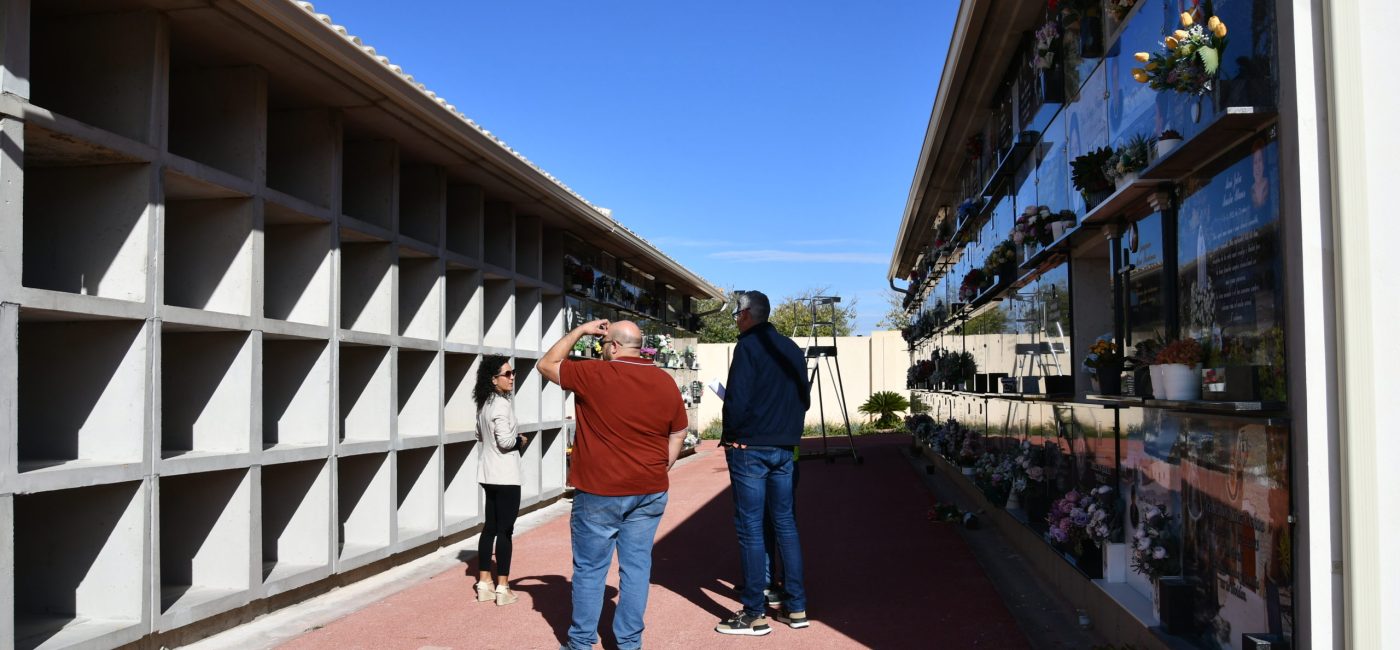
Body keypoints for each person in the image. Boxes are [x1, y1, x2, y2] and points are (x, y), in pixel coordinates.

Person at [539, 319, 689, 650]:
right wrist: (665, 462)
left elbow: (546, 364)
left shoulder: (594, 374)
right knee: (636, 569)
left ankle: (580, 643)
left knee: (590, 570)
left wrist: (579, 331)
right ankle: (629, 644)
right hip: (649, 490)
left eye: (603, 345)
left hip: (599, 492)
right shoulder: (664, 382)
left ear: (615, 346)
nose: (601, 351)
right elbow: (678, 430)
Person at [715, 290, 810, 636]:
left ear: (746, 314)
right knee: (785, 523)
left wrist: (731, 435)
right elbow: (805, 399)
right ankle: (796, 605)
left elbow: (737, 399)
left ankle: (754, 612)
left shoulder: (747, 347)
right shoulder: (791, 348)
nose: (736, 321)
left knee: (750, 527)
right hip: (784, 448)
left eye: (737, 314)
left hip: (750, 448)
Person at [473, 355, 529, 606]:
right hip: (506, 475)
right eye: (507, 374)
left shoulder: (484, 404)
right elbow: (506, 442)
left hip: (488, 473)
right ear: (493, 379)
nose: (512, 377)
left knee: (490, 528)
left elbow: (478, 434)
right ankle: (503, 588)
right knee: (505, 531)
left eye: (512, 372)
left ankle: (484, 582)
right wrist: (520, 441)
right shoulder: (503, 405)